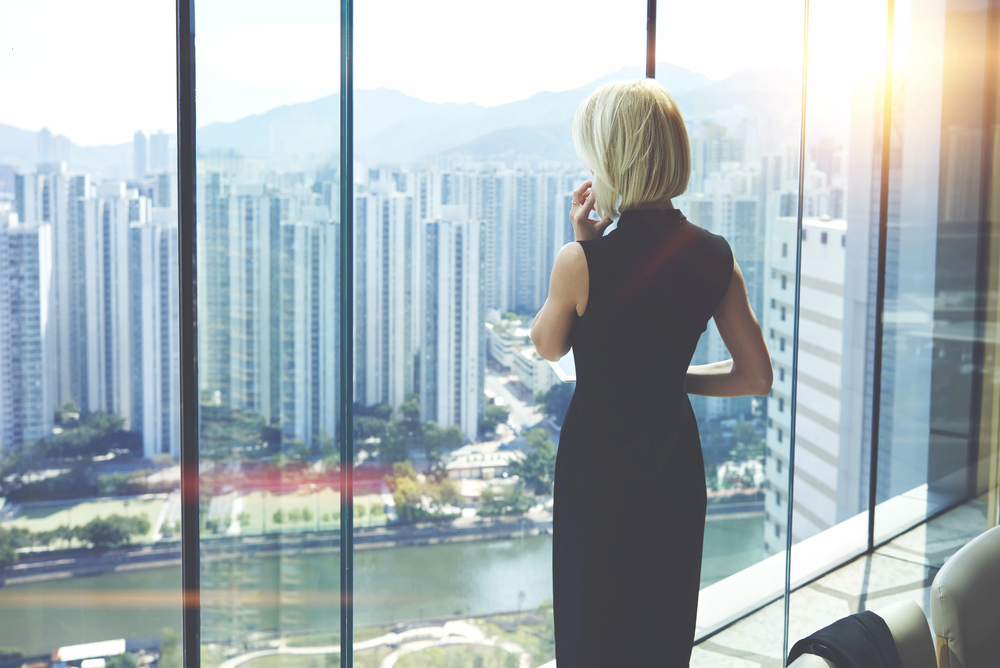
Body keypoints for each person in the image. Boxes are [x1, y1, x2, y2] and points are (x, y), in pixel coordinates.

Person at [530, 79, 773, 667]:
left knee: (595, 629)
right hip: (672, 468)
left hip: (600, 469)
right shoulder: (716, 255)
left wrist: (584, 244)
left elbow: (547, 344)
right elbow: (755, 377)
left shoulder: (580, 260)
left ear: (613, 161)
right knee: (661, 628)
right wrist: (669, 378)